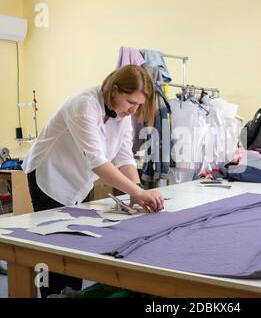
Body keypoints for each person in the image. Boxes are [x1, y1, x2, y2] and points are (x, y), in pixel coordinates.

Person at [22, 65, 164, 297]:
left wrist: (136, 189)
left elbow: (124, 156)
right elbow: (98, 162)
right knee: (53, 245)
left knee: (78, 243)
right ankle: (51, 294)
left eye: (138, 104)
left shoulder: (123, 113)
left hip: (80, 180)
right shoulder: (84, 105)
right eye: (131, 102)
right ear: (115, 90)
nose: (134, 109)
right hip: (50, 175)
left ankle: (71, 294)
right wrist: (138, 194)